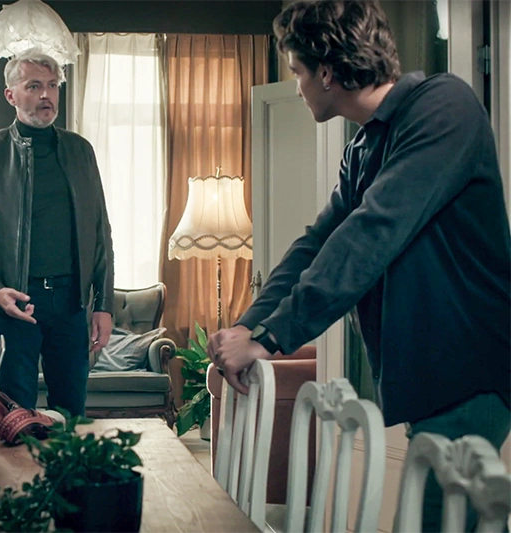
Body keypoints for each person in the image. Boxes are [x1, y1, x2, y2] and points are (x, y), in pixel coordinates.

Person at [206, 1, 511, 531]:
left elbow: (370, 234)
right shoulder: (364, 145)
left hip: (469, 373)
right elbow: (317, 245)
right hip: (429, 380)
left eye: (298, 72)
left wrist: (270, 339)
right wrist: (248, 326)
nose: (297, 87)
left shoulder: (444, 106)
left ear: (326, 72)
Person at [0, 47, 114, 417]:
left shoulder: (80, 151)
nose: (46, 95)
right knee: (16, 419)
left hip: (71, 305)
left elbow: (100, 233)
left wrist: (103, 305)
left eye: (53, 85)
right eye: (34, 86)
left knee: (70, 418)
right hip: (16, 306)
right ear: (11, 95)